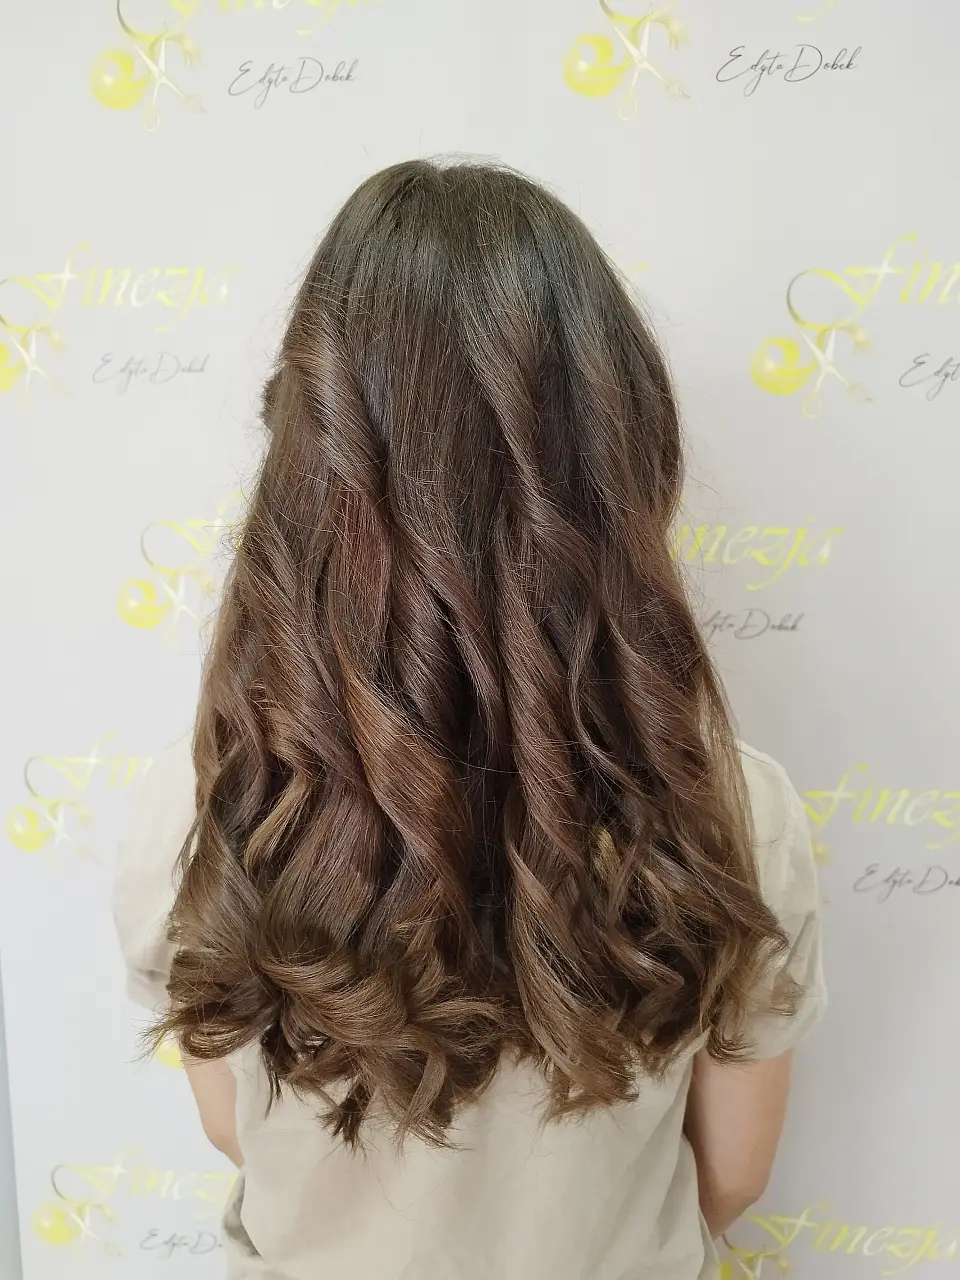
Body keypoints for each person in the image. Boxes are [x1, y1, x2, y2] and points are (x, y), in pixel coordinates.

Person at [113, 158, 825, 1280]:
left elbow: (228, 1125)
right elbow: (732, 1172)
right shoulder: (736, 814)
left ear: (307, 469)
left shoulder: (206, 810)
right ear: (620, 457)